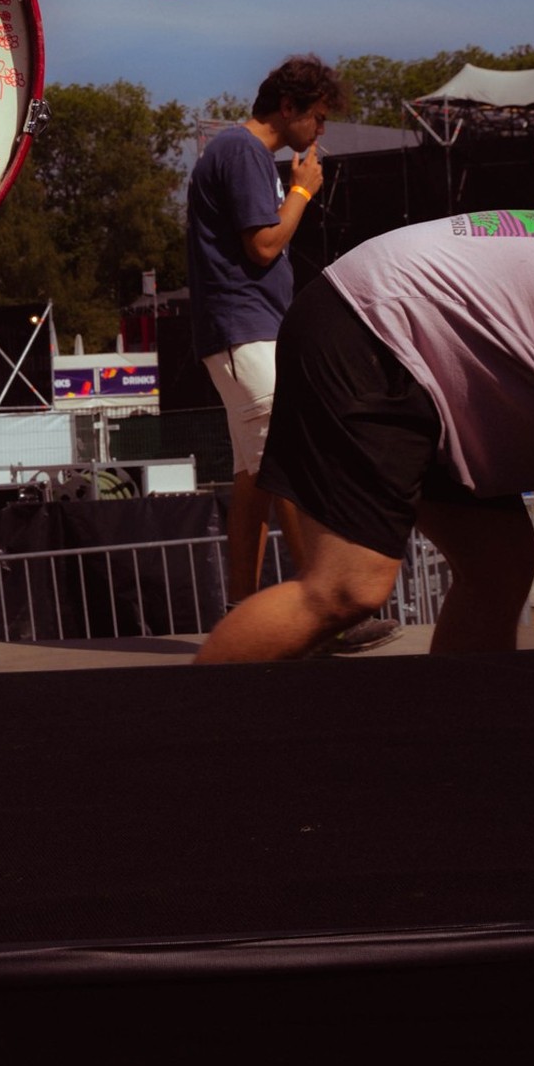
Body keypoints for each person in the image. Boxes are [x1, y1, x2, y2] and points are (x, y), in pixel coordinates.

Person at [196, 211, 534, 664]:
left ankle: (461, 729)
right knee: (345, 586)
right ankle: (182, 728)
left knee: (496, 564)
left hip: (419, 329)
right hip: (370, 325)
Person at [186, 57, 395, 650]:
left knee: (256, 475)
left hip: (241, 331)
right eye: (319, 118)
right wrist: (302, 189)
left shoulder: (236, 152)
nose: (320, 132)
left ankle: (243, 613)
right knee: (290, 467)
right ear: (289, 108)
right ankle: (322, 615)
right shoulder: (244, 152)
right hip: (244, 330)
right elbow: (264, 244)